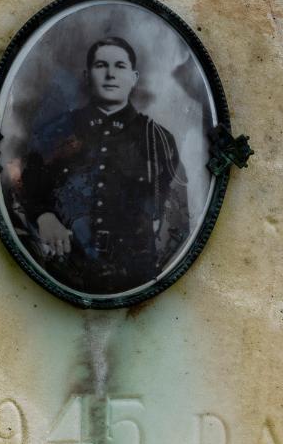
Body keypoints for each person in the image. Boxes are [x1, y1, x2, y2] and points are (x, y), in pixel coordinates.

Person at [10, 34, 191, 296]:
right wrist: (44, 215)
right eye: (101, 66)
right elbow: (26, 184)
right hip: (67, 268)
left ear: (134, 77)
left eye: (119, 67)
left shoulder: (156, 138)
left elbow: (177, 215)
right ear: (87, 75)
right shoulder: (57, 131)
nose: (110, 74)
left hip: (137, 274)